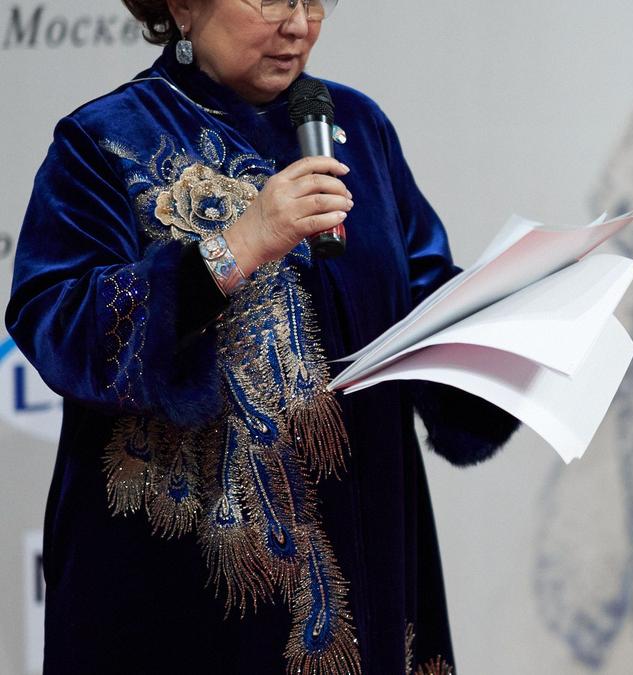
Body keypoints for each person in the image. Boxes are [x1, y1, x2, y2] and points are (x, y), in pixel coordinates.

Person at [6, 0, 518, 672]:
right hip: (181, 588)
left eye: (313, 0)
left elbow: (422, 296)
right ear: (183, 7)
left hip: (368, 555)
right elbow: (58, 321)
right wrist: (237, 247)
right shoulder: (105, 139)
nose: (299, 24)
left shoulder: (355, 126)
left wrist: (514, 325)